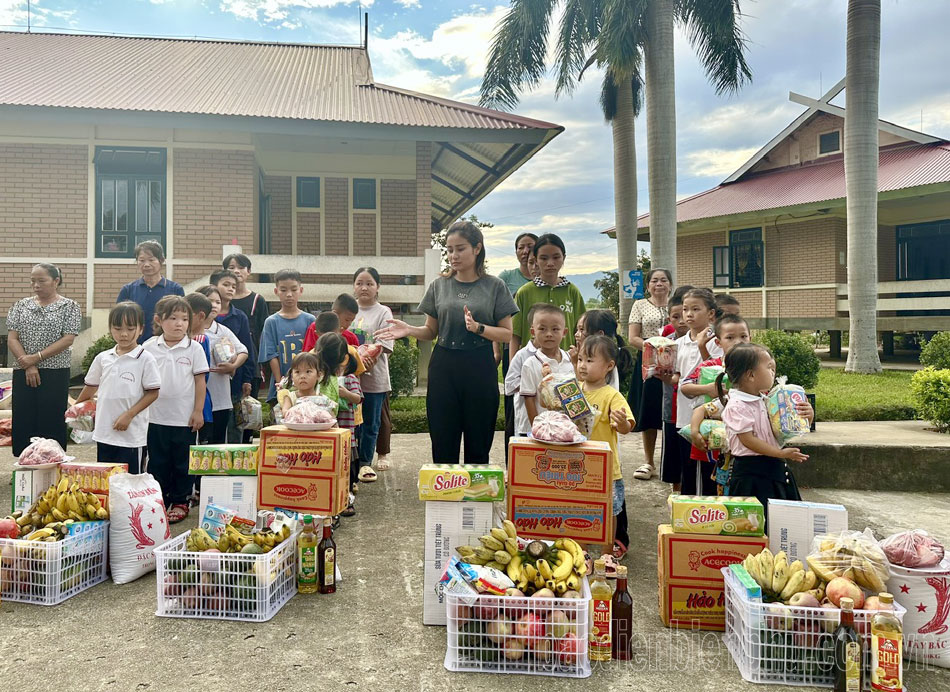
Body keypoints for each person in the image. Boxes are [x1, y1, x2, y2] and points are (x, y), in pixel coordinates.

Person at [375, 221, 516, 465]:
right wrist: (409, 329)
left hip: (479, 365)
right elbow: (431, 331)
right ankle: (444, 498)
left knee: (479, 440)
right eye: (449, 250)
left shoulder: (495, 286)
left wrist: (479, 328)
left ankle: (474, 499)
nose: (453, 255)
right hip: (444, 365)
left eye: (460, 249)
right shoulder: (439, 285)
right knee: (443, 440)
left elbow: (506, 334)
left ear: (477, 248)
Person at [719, 343, 813, 529]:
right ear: (751, 375)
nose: (773, 372)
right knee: (756, 528)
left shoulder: (767, 400)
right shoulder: (737, 405)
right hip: (752, 476)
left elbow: (784, 429)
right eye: (770, 368)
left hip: (774, 470)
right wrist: (781, 453)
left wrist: (807, 416)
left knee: (784, 526)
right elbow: (749, 440)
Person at [571, 308, 634, 558]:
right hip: (578, 465)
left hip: (607, 469)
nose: (583, 366)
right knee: (579, 512)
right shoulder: (574, 391)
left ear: (609, 366)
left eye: (589, 361)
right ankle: (582, 554)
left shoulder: (611, 395)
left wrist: (621, 424)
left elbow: (627, 426)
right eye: (580, 360)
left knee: (609, 512)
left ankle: (607, 554)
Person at [143, 295, 209, 523]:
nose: (179, 323)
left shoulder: (194, 348)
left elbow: (201, 382)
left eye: (184, 318)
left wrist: (198, 411)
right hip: (155, 416)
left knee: (183, 461)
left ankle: (181, 500)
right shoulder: (148, 347)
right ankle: (159, 499)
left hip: (184, 418)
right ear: (159, 320)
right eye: (172, 318)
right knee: (158, 462)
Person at [74, 302, 160, 472]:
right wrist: (75, 410)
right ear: (110, 328)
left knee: (131, 483)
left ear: (141, 329)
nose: (124, 334)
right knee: (105, 480)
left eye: (130, 328)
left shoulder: (145, 358)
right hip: (104, 433)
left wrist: (128, 415)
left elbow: (153, 393)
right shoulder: (103, 358)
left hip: (131, 436)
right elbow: (90, 388)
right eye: (118, 328)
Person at [7, 263, 82, 456]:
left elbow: (68, 338)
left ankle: (52, 463)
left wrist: (37, 358)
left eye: (41, 281)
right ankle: (25, 464)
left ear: (56, 281)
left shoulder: (69, 306)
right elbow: (12, 338)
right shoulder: (20, 305)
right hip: (23, 369)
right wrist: (29, 363)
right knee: (24, 416)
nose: (36, 285)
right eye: (33, 281)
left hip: (55, 372)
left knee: (51, 417)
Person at [672, 288, 723, 495]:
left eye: (695, 309)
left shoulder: (718, 341)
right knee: (689, 469)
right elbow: (678, 376)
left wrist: (703, 347)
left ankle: (708, 513)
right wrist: (669, 376)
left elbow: (714, 371)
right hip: (685, 416)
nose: (689, 314)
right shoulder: (677, 343)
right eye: (685, 309)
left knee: (709, 472)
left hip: (711, 417)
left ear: (711, 313)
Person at [626, 268, 673, 482]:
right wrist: (654, 346)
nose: (659, 284)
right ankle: (649, 462)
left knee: (674, 414)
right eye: (654, 280)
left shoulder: (677, 305)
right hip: (649, 365)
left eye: (663, 280)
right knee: (650, 413)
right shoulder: (640, 305)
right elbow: (633, 337)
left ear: (670, 285)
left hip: (675, 365)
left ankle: (672, 461)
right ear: (648, 285)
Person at [350, 267, 394, 481]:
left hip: (373, 379)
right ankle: (350, 462)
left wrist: (364, 363)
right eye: (359, 283)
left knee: (371, 423)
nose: (364, 287)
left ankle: (365, 463)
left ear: (378, 287)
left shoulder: (383, 311)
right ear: (354, 287)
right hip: (348, 381)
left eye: (369, 283)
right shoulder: (348, 309)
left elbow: (383, 343)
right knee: (350, 423)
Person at [498, 232, 539, 450]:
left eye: (530, 247)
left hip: (544, 355)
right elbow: (496, 314)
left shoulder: (548, 284)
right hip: (514, 350)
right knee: (514, 407)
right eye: (520, 247)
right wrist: (497, 351)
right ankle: (511, 459)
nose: (525, 252)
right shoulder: (507, 278)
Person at [510, 234, 585, 355]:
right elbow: (515, 334)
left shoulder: (572, 291)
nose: (550, 263)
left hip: (565, 364)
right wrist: (514, 366)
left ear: (563, 258)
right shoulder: (524, 292)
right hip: (532, 363)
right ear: (536, 259)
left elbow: (582, 332)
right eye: (544, 258)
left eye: (556, 257)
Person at [196, 285, 249, 444]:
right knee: (200, 440)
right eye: (209, 301)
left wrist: (233, 366)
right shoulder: (188, 330)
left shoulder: (223, 330)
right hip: (196, 395)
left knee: (217, 441)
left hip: (220, 393)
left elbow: (243, 351)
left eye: (217, 302)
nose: (214, 305)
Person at [258, 269, 315, 404]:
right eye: (283, 290)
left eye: (293, 290)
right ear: (276, 291)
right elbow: (271, 355)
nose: (289, 294)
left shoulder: (310, 320)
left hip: (307, 385)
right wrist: (280, 383)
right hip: (281, 383)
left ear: (300, 290)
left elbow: (314, 353)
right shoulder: (271, 322)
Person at [518, 304, 574, 436]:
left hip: (564, 431)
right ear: (533, 332)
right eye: (542, 329)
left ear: (564, 332)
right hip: (537, 430)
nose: (549, 334)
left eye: (555, 329)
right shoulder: (530, 364)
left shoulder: (570, 361)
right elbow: (529, 399)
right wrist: (538, 428)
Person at [117, 241, 184, 343]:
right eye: (142, 260)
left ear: (161, 260)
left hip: (165, 345)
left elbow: (182, 318)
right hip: (135, 346)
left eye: (151, 260)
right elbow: (119, 319)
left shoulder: (175, 289)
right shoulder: (128, 290)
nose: (146, 265)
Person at [658, 293, 690, 493]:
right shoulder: (664, 344)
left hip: (691, 411)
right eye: (675, 317)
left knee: (690, 458)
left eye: (683, 314)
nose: (680, 321)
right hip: (671, 409)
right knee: (673, 460)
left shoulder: (699, 341)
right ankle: (675, 497)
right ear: (668, 319)